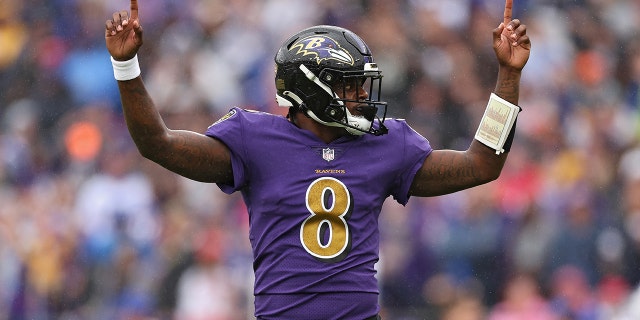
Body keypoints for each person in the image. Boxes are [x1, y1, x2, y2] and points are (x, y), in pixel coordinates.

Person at [105, 0, 530, 319]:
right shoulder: (255, 139)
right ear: (311, 90)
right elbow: (156, 143)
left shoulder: (386, 143)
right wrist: (126, 66)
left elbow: (481, 164)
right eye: (350, 86)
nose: (363, 96)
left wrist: (508, 75)